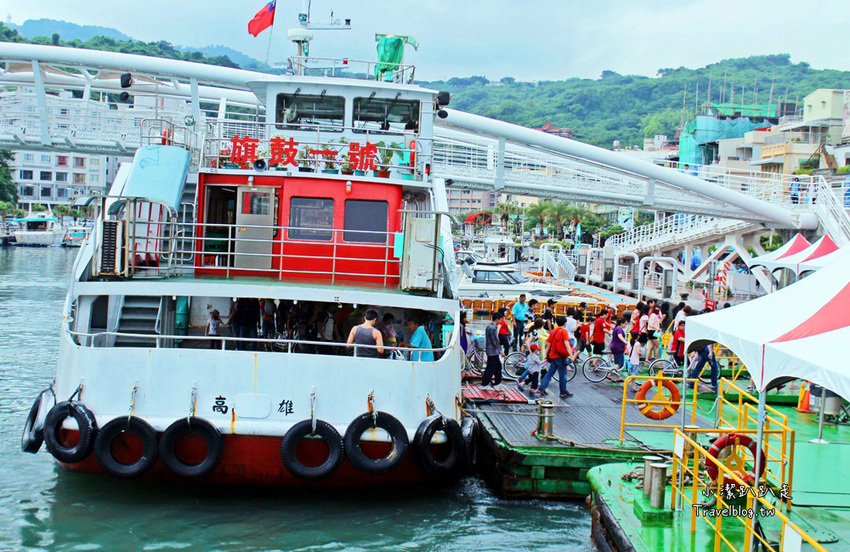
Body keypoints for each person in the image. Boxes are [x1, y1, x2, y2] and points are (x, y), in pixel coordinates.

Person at [538, 316, 574, 398]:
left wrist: (546, 355)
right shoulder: (564, 332)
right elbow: (567, 344)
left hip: (553, 355)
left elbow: (549, 345)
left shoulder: (553, 331)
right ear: (565, 323)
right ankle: (563, 391)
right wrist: (571, 355)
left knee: (550, 372)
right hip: (561, 356)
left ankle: (542, 387)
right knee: (563, 374)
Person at [482, 312, 503, 387]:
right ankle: (485, 383)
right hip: (493, 351)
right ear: (497, 319)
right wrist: (501, 351)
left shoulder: (489, 327)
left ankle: (498, 382)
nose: (501, 321)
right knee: (491, 368)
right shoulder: (493, 328)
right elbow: (495, 341)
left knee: (498, 366)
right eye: (500, 319)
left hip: (491, 350)